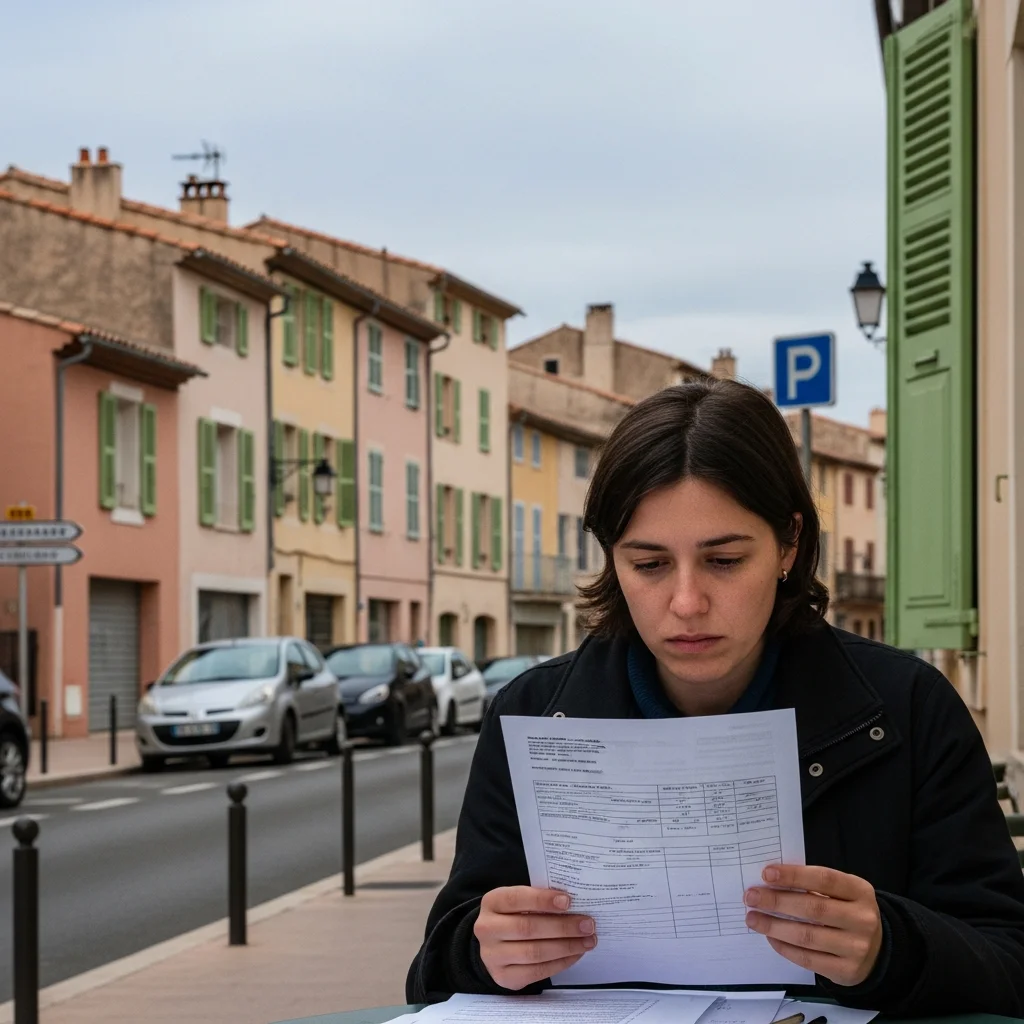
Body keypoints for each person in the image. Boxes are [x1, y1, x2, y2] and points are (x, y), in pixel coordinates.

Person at [406, 378, 1024, 1016]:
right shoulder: (532, 715)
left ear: (788, 543)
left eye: (724, 560)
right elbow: (430, 978)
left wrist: (891, 947)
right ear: (611, 560)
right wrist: (483, 953)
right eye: (648, 564)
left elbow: (1009, 958)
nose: (686, 602)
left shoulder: (907, 708)